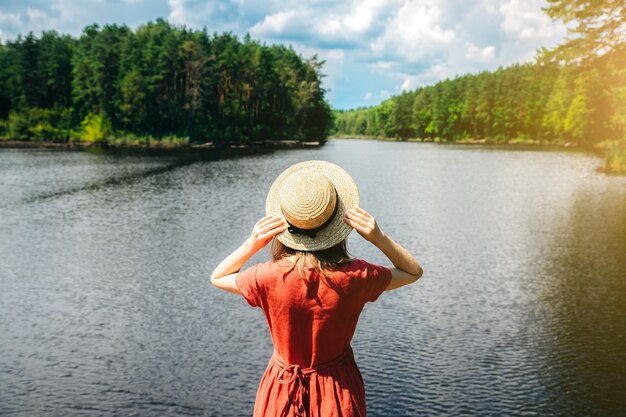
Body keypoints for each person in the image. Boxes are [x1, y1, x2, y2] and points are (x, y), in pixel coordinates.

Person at [211, 160, 422, 417]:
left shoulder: (266, 277)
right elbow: (413, 271)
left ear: (284, 225)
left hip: (281, 390)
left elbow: (219, 277)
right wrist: (379, 237)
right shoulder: (355, 276)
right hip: (338, 392)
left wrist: (251, 243)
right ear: (338, 227)